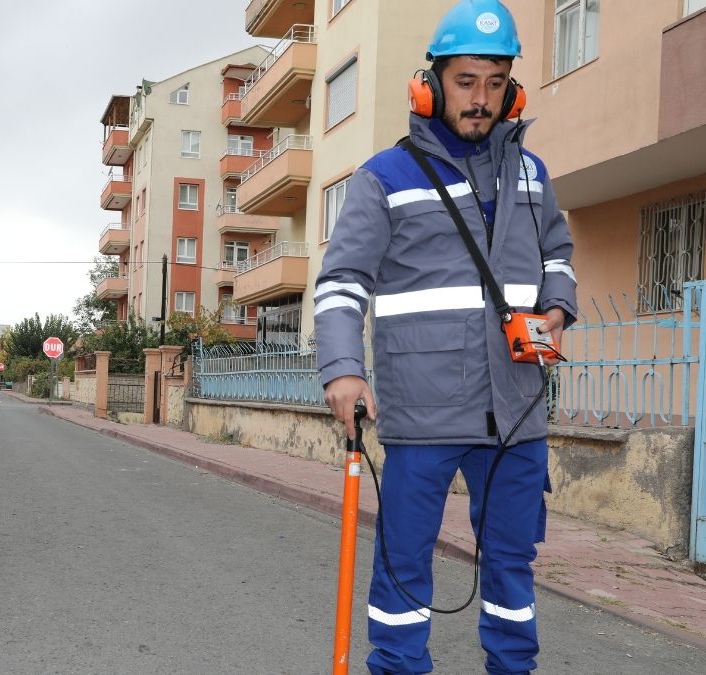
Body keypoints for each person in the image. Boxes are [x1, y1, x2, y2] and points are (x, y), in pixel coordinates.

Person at [313, 1, 577, 672]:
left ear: (512, 90)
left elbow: (558, 256)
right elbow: (342, 281)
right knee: (404, 567)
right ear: (430, 84)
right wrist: (343, 368)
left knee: (513, 568)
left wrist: (558, 308)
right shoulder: (384, 178)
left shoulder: (532, 175)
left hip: (516, 411)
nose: (480, 99)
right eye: (465, 80)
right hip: (423, 413)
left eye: (495, 82)